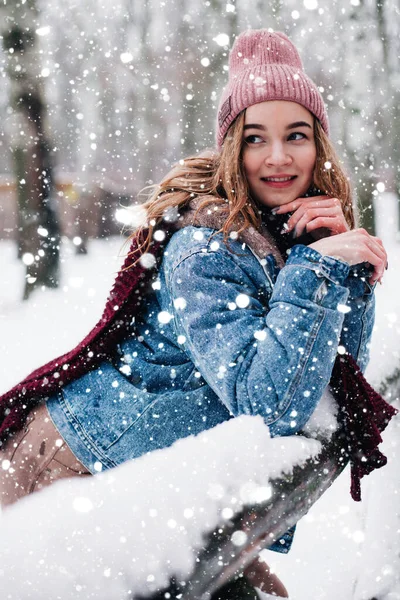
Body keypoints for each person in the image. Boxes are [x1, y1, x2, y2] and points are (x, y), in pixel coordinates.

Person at [0, 29, 394, 599]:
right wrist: (315, 272)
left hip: (153, 479)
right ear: (233, 148)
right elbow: (271, 407)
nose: (278, 156)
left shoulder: (286, 235)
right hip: (67, 468)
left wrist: (346, 277)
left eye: (297, 136)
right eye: (255, 138)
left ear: (320, 147)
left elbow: (334, 377)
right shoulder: (206, 245)